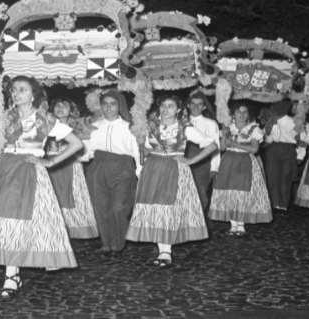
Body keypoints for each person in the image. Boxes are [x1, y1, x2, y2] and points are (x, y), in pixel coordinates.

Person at [0, 76, 81, 298]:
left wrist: (49, 162)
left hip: (28, 171)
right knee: (3, 223)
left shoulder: (44, 118)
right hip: (3, 171)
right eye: (13, 90)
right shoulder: (3, 117)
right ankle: (11, 274)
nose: (16, 93)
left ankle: (12, 276)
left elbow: (76, 144)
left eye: (22, 90)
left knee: (22, 223)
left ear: (33, 94)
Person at [126, 96, 215, 267]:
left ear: (179, 110)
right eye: (163, 106)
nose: (166, 109)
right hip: (153, 169)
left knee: (169, 207)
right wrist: (140, 166)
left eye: (171, 106)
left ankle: (165, 251)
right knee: (155, 207)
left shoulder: (185, 128)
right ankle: (162, 248)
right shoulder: (149, 126)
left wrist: (191, 161)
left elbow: (211, 145)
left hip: (175, 170)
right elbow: (143, 148)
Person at [83, 89, 141, 253]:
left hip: (122, 167)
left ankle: (118, 241)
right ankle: (106, 243)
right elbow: (87, 149)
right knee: (100, 206)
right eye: (105, 104)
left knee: (119, 207)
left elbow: (136, 150)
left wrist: (139, 171)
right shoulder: (94, 125)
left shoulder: (129, 126)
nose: (108, 107)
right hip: (98, 166)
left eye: (113, 104)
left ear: (119, 105)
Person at [209, 105, 272, 236]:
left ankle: (241, 225)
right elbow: (222, 148)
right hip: (229, 161)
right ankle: (233, 225)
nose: (241, 115)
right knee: (229, 191)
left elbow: (254, 149)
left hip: (245, 162)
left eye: (245, 112)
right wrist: (224, 137)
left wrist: (236, 144)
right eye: (238, 112)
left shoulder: (254, 129)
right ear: (233, 114)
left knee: (242, 192)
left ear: (248, 115)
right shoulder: (228, 128)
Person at [46, 97, 98, 239]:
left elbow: (86, 150)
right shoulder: (46, 124)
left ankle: (74, 230)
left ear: (71, 110)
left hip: (71, 166)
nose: (60, 108)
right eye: (57, 105)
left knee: (73, 196)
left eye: (65, 105)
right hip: (50, 166)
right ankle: (55, 230)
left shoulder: (79, 126)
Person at [186, 91, 221, 212]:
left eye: (200, 104)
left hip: (202, 162)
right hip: (183, 160)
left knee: (200, 193)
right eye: (193, 104)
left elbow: (215, 146)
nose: (196, 107)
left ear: (204, 107)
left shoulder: (211, 123)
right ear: (188, 105)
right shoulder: (181, 121)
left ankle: (199, 223)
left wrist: (214, 168)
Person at [262, 100, 298, 213]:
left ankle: (276, 203)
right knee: (284, 177)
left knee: (274, 177)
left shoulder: (274, 120)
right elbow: (301, 138)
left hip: (277, 149)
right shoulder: (293, 121)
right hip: (285, 149)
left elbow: (271, 138)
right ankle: (282, 204)